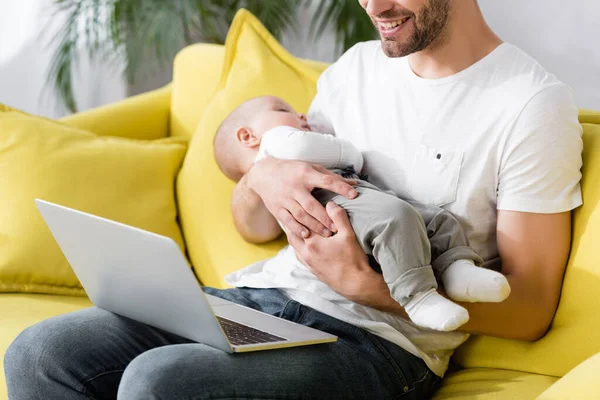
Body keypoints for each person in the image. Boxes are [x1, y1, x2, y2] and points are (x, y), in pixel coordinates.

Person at [4, 0, 582, 398]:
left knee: (164, 382)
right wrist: (262, 178)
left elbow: (531, 310)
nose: (374, 6)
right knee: (41, 350)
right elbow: (254, 227)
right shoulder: (354, 70)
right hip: (268, 299)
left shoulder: (529, 105)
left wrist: (370, 289)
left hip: (379, 344)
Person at [213, 95, 511, 332]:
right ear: (247, 136)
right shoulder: (277, 143)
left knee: (432, 218)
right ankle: (418, 297)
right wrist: (349, 155)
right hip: (336, 205)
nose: (302, 115)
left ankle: (457, 269)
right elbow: (300, 146)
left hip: (353, 315)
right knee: (395, 218)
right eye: (282, 108)